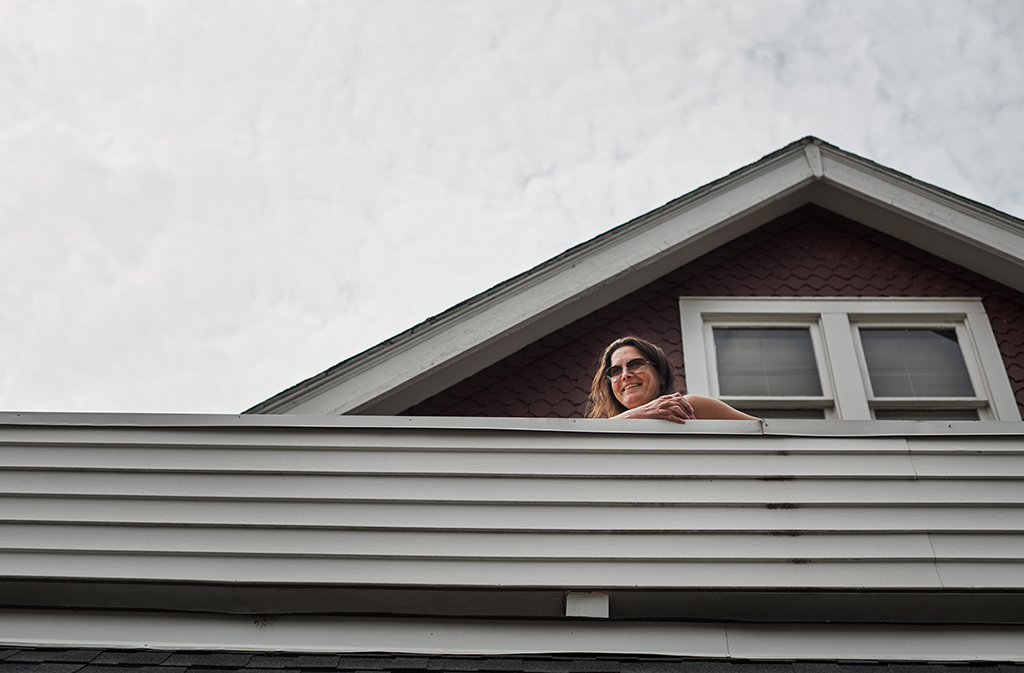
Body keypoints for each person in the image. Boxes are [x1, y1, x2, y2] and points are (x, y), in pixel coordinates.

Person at [586, 336, 758, 423]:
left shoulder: (687, 407)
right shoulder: (608, 431)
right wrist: (637, 414)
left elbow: (766, 433)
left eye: (636, 364)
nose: (625, 374)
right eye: (615, 371)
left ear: (661, 375)